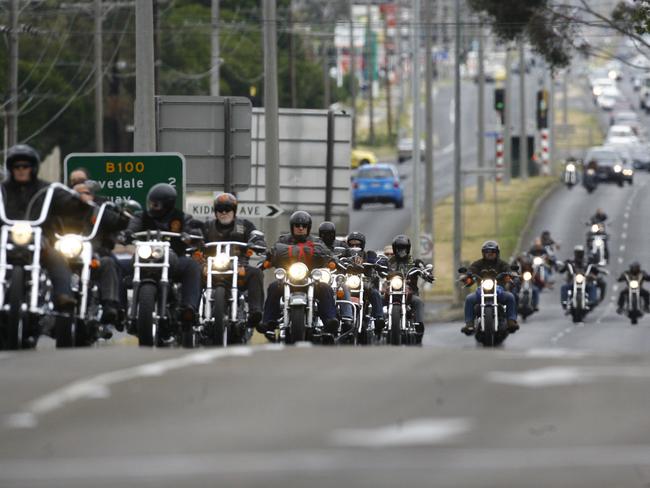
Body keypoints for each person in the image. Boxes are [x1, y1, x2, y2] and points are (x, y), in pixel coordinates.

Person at [1, 144, 92, 311]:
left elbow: (67, 202)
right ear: (11, 168)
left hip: (39, 239)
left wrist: (80, 202)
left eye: (25, 166)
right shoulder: (2, 190)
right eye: (17, 166)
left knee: (56, 257)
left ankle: (63, 295)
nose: (21, 170)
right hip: (4, 240)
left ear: (33, 168)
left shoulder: (47, 189)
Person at [125, 183, 202, 325]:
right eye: (151, 204)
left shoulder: (182, 218)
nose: (152, 207)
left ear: (167, 205)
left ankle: (189, 308)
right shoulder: (141, 216)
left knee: (192, 265)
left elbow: (193, 231)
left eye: (156, 205)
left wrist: (191, 235)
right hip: (143, 259)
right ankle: (117, 308)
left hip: (174, 259)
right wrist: (128, 234)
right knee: (116, 265)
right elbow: (133, 226)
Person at [260, 210, 338, 335]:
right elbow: (272, 253)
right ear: (292, 227)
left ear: (308, 227)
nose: (300, 228)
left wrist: (333, 261)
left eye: (304, 226)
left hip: (311, 280)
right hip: (288, 279)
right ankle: (268, 321)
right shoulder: (283, 240)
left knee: (326, 288)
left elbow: (328, 254)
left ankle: (330, 320)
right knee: (273, 287)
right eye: (297, 225)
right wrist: (266, 261)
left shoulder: (317, 242)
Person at [67, 181, 130, 330]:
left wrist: (124, 217)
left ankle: (110, 306)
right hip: (67, 255)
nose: (82, 196)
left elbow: (116, 222)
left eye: (86, 193)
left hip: (92, 255)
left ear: (92, 196)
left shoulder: (98, 212)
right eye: (78, 193)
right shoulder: (64, 211)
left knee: (108, 262)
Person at [201, 192, 265, 328]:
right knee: (193, 273)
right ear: (215, 212)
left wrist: (257, 241)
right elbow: (197, 238)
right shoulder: (207, 227)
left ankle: (256, 313)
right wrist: (194, 241)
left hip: (239, 268)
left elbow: (255, 236)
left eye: (227, 209)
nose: (224, 213)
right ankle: (191, 311)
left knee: (256, 273)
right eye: (220, 210)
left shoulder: (245, 226)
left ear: (234, 211)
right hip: (211, 269)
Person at [461, 240, 519, 335]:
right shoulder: (478, 263)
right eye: (487, 251)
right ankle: (469, 324)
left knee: (510, 297)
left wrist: (511, 273)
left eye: (492, 251)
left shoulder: (502, 264)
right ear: (483, 253)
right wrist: (467, 275)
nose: (490, 254)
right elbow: (472, 270)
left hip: (499, 290)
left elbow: (508, 269)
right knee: (469, 299)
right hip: (481, 291)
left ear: (497, 253)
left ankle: (511, 321)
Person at [385, 235, 432, 343]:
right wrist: (376, 267)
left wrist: (426, 273)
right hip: (391, 291)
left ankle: (419, 324)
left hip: (410, 292)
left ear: (408, 248)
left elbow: (422, 267)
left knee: (418, 301)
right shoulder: (388, 262)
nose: (401, 250)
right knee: (378, 299)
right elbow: (379, 266)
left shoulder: (415, 262)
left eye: (404, 247)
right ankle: (377, 322)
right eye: (398, 248)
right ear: (394, 248)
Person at [345, 231, 385, 332]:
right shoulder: (344, 254)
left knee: (375, 293)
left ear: (362, 245)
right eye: (352, 244)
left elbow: (375, 260)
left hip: (364, 283)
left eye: (357, 244)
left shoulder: (369, 254)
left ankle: (379, 318)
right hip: (347, 283)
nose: (354, 246)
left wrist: (377, 263)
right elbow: (336, 259)